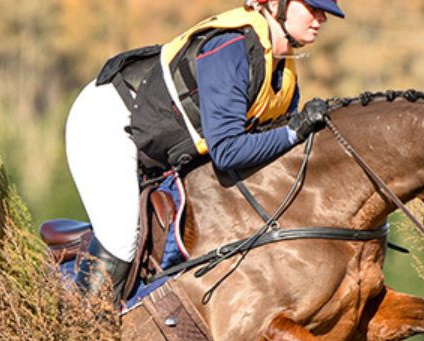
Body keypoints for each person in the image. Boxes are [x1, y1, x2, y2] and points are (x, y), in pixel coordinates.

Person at [64, 0, 343, 299]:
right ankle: (79, 336)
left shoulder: (282, 67)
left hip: (159, 145)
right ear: (275, 4)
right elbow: (227, 151)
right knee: (121, 238)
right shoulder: (230, 47)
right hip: (108, 121)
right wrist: (293, 132)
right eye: (312, 6)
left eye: (324, 10)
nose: (321, 18)